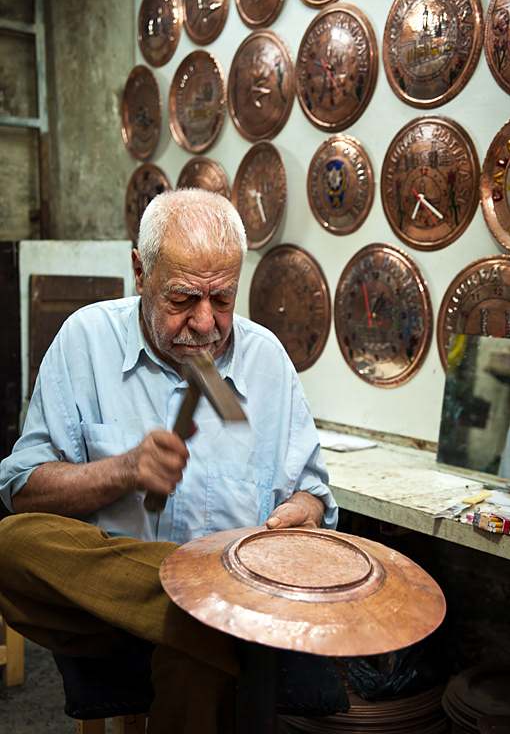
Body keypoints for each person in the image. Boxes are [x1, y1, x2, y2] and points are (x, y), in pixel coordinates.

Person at [0, 188, 338, 734]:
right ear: (140, 271)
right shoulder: (85, 341)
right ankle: (198, 610)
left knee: (198, 654)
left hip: (224, 615)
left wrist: (305, 511)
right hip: (105, 609)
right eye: (182, 300)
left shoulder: (267, 362)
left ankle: (201, 618)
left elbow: (313, 497)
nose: (206, 324)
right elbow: (20, 487)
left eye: (223, 300)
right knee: (10, 545)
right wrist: (125, 470)